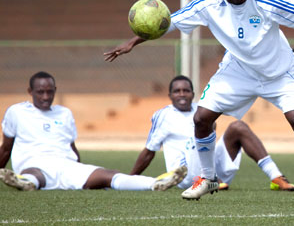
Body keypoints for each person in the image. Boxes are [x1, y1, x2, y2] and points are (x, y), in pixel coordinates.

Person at [104, 0, 294, 204]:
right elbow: (170, 21)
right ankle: (207, 178)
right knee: (201, 118)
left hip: (279, 72)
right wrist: (133, 41)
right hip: (238, 70)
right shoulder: (211, 1)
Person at [0, 71, 187, 192]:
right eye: (40, 92)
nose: (46, 97)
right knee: (35, 175)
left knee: (107, 175)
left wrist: (81, 171)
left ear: (55, 90)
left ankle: (154, 184)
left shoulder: (64, 113)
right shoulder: (16, 112)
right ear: (30, 91)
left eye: (50, 92)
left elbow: (72, 147)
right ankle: (26, 182)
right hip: (34, 164)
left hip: (66, 166)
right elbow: (6, 148)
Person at [130, 75, 294, 195]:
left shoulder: (201, 109)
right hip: (185, 176)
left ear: (193, 94)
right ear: (170, 95)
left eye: (186, 91)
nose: (182, 94)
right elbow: (149, 151)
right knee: (196, 135)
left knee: (238, 126)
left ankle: (276, 177)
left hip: (211, 168)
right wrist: (130, 179)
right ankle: (211, 179)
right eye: (177, 91)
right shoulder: (163, 115)